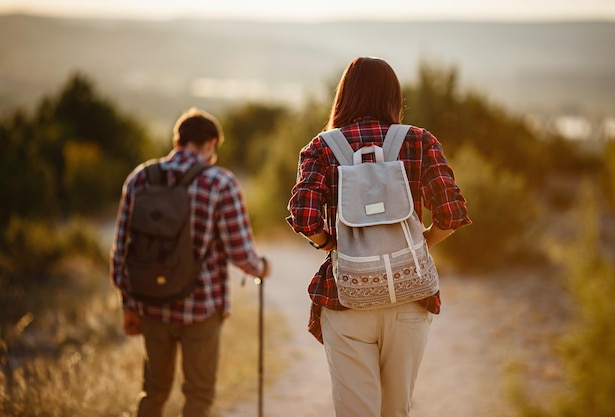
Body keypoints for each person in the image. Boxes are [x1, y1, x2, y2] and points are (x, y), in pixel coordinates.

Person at [287, 57, 471, 417]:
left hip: (347, 298)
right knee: (395, 411)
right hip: (407, 294)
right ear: (394, 97)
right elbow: (451, 214)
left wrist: (334, 246)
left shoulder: (322, 148)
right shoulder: (420, 141)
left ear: (344, 97)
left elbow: (305, 217)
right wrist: (418, 244)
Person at [110, 107, 270, 417]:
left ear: (178, 140)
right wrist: (261, 268)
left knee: (153, 391)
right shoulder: (219, 182)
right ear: (210, 143)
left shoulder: (140, 178)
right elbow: (239, 250)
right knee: (198, 394)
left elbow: (121, 251)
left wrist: (128, 304)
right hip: (202, 307)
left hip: (151, 305)